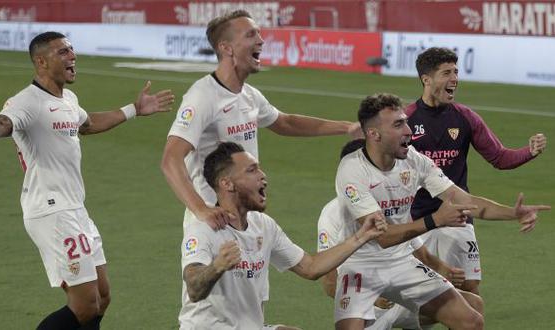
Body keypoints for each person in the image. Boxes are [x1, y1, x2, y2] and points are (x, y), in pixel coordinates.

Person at [0, 31, 174, 329]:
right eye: (63, 52)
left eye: (72, 50)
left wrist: (134, 109)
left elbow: (88, 123)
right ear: (41, 62)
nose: (73, 56)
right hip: (51, 210)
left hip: (75, 209)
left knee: (102, 298)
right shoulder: (26, 102)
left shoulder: (68, 98)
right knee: (84, 306)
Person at [333, 93, 550, 329]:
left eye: (405, 121)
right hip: (361, 266)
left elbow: (463, 199)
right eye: (398, 125)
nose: (408, 130)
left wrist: (513, 213)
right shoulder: (352, 170)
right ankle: (390, 318)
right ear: (374, 134)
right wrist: (435, 219)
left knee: (471, 321)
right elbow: (382, 237)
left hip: (402, 262)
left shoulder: (414, 159)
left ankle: (396, 316)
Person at [161, 10, 361, 230]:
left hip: (245, 214)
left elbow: (285, 122)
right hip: (215, 219)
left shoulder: (249, 95)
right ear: (226, 48)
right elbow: (171, 158)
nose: (261, 40)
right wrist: (201, 209)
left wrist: (346, 127)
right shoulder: (203, 96)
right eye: (250, 35)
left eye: (258, 33)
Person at [179, 142, 387, 329]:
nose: (263, 175)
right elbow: (194, 289)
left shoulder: (263, 225)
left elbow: (311, 267)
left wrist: (361, 236)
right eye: (252, 170)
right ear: (227, 184)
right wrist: (217, 267)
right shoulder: (204, 227)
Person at [406, 47, 548, 294]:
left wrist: (529, 151)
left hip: (460, 216)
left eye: (456, 72)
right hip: (416, 221)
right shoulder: (406, 120)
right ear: (426, 79)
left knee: (469, 291)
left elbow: (500, 157)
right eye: (446, 73)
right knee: (417, 298)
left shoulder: (465, 118)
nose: (455, 79)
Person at [317, 139, 482, 330]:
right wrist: (375, 299)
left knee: (473, 305)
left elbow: (422, 254)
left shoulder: (392, 204)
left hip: (399, 298)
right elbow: (329, 281)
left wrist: (445, 271)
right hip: (370, 305)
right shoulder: (332, 215)